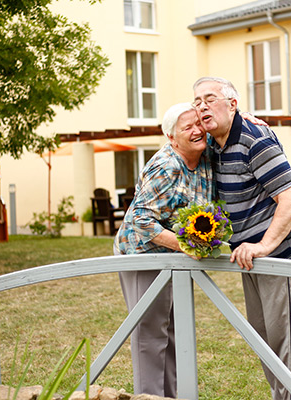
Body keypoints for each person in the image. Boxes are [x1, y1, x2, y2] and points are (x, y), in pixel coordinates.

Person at [193, 76, 291, 400]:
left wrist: (264, 246)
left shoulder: (254, 138)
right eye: (196, 102)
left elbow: (290, 198)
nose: (201, 106)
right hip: (252, 256)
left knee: (286, 339)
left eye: (209, 98)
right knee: (264, 339)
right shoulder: (213, 146)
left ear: (233, 104)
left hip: (281, 252)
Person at [114, 102, 214, 397]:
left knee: (173, 331)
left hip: (173, 258)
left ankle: (172, 396)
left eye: (199, 123)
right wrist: (185, 245)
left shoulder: (205, 157)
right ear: (172, 138)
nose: (197, 130)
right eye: (188, 128)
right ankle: (149, 396)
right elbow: (140, 220)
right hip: (142, 255)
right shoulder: (167, 166)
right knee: (149, 333)